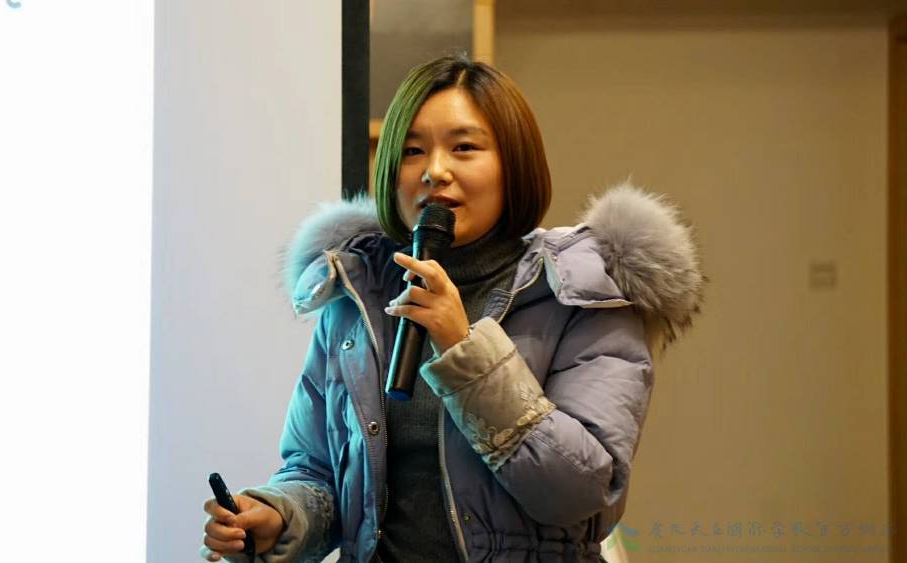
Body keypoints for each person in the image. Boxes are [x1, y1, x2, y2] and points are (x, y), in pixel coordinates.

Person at [201, 54, 705, 562]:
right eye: (413, 151)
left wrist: (463, 347)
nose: (434, 171)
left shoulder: (581, 295)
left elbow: (580, 492)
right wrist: (280, 515)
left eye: (464, 147)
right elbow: (318, 471)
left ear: (514, 165)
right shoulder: (357, 293)